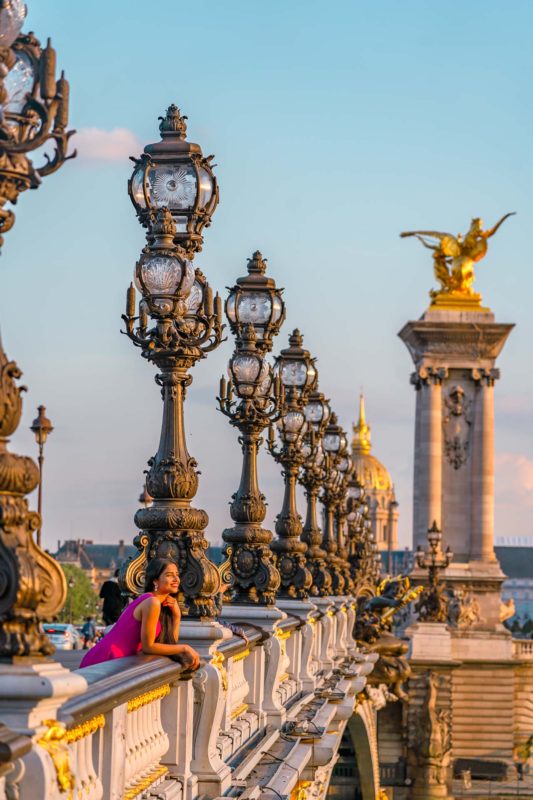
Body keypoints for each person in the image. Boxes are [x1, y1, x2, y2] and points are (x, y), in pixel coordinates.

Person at [80, 558, 200, 670]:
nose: (176, 579)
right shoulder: (152, 602)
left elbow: (169, 644)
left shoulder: (157, 602)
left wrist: (176, 616)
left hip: (115, 661)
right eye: (169, 575)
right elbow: (148, 647)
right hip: (105, 660)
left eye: (177, 575)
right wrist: (185, 648)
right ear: (155, 581)